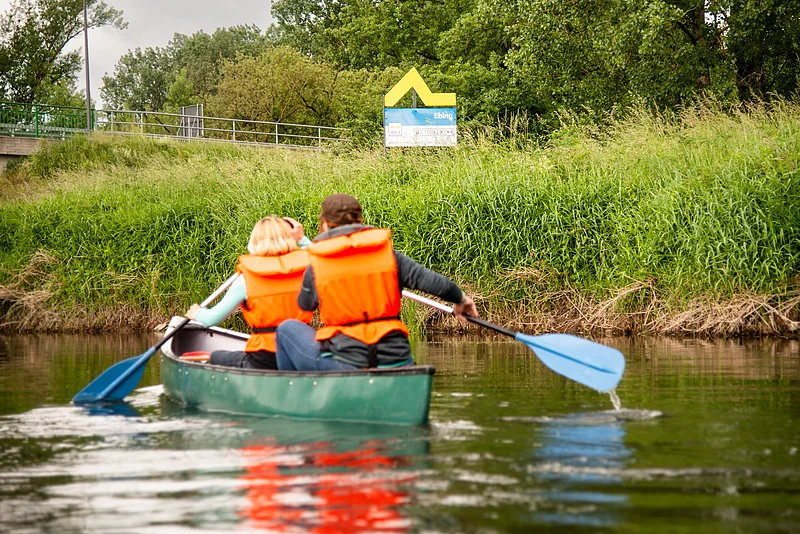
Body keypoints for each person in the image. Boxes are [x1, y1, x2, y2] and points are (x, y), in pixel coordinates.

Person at [275, 193, 478, 371]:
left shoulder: (317, 266)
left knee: (286, 328)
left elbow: (304, 305)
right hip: (396, 360)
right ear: (360, 220)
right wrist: (462, 299)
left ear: (325, 224)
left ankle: (293, 395)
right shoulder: (390, 257)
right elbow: (437, 284)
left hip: (345, 363)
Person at [185, 216, 312, 370]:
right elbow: (315, 254)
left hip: (265, 357)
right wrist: (302, 238)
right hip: (300, 352)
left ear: (254, 242)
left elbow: (212, 319)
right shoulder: (307, 270)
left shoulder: (245, 280)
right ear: (289, 238)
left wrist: (198, 313)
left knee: (215, 356)